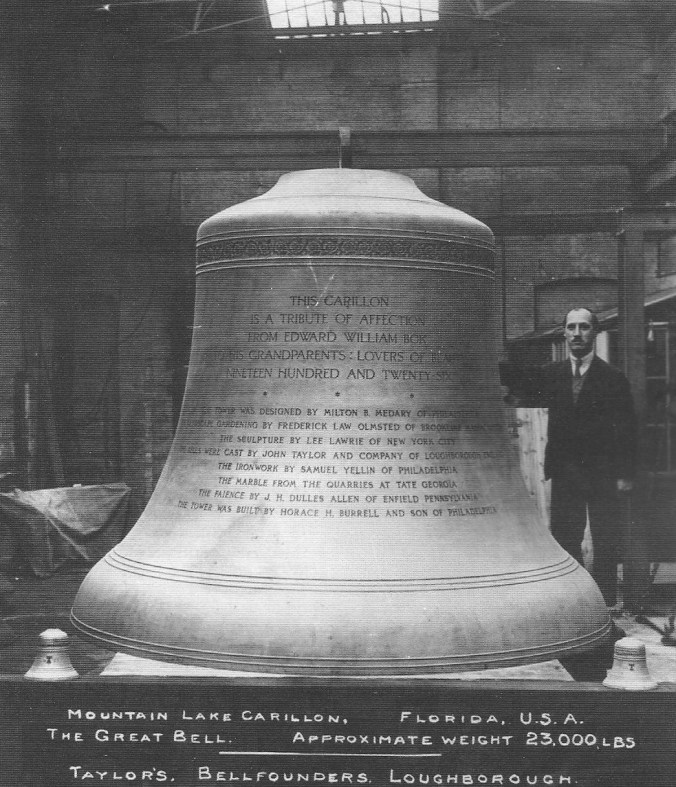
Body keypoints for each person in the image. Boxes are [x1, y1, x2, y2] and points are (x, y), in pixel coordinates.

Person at [502, 307, 637, 609]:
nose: (577, 333)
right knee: (565, 534)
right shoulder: (551, 374)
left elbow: (628, 428)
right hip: (566, 470)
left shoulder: (613, 378)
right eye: (572, 327)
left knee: (605, 535)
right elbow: (517, 390)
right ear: (564, 332)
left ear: (595, 332)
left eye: (584, 327)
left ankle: (604, 600)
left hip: (603, 470)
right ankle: (577, 597)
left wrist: (626, 474)